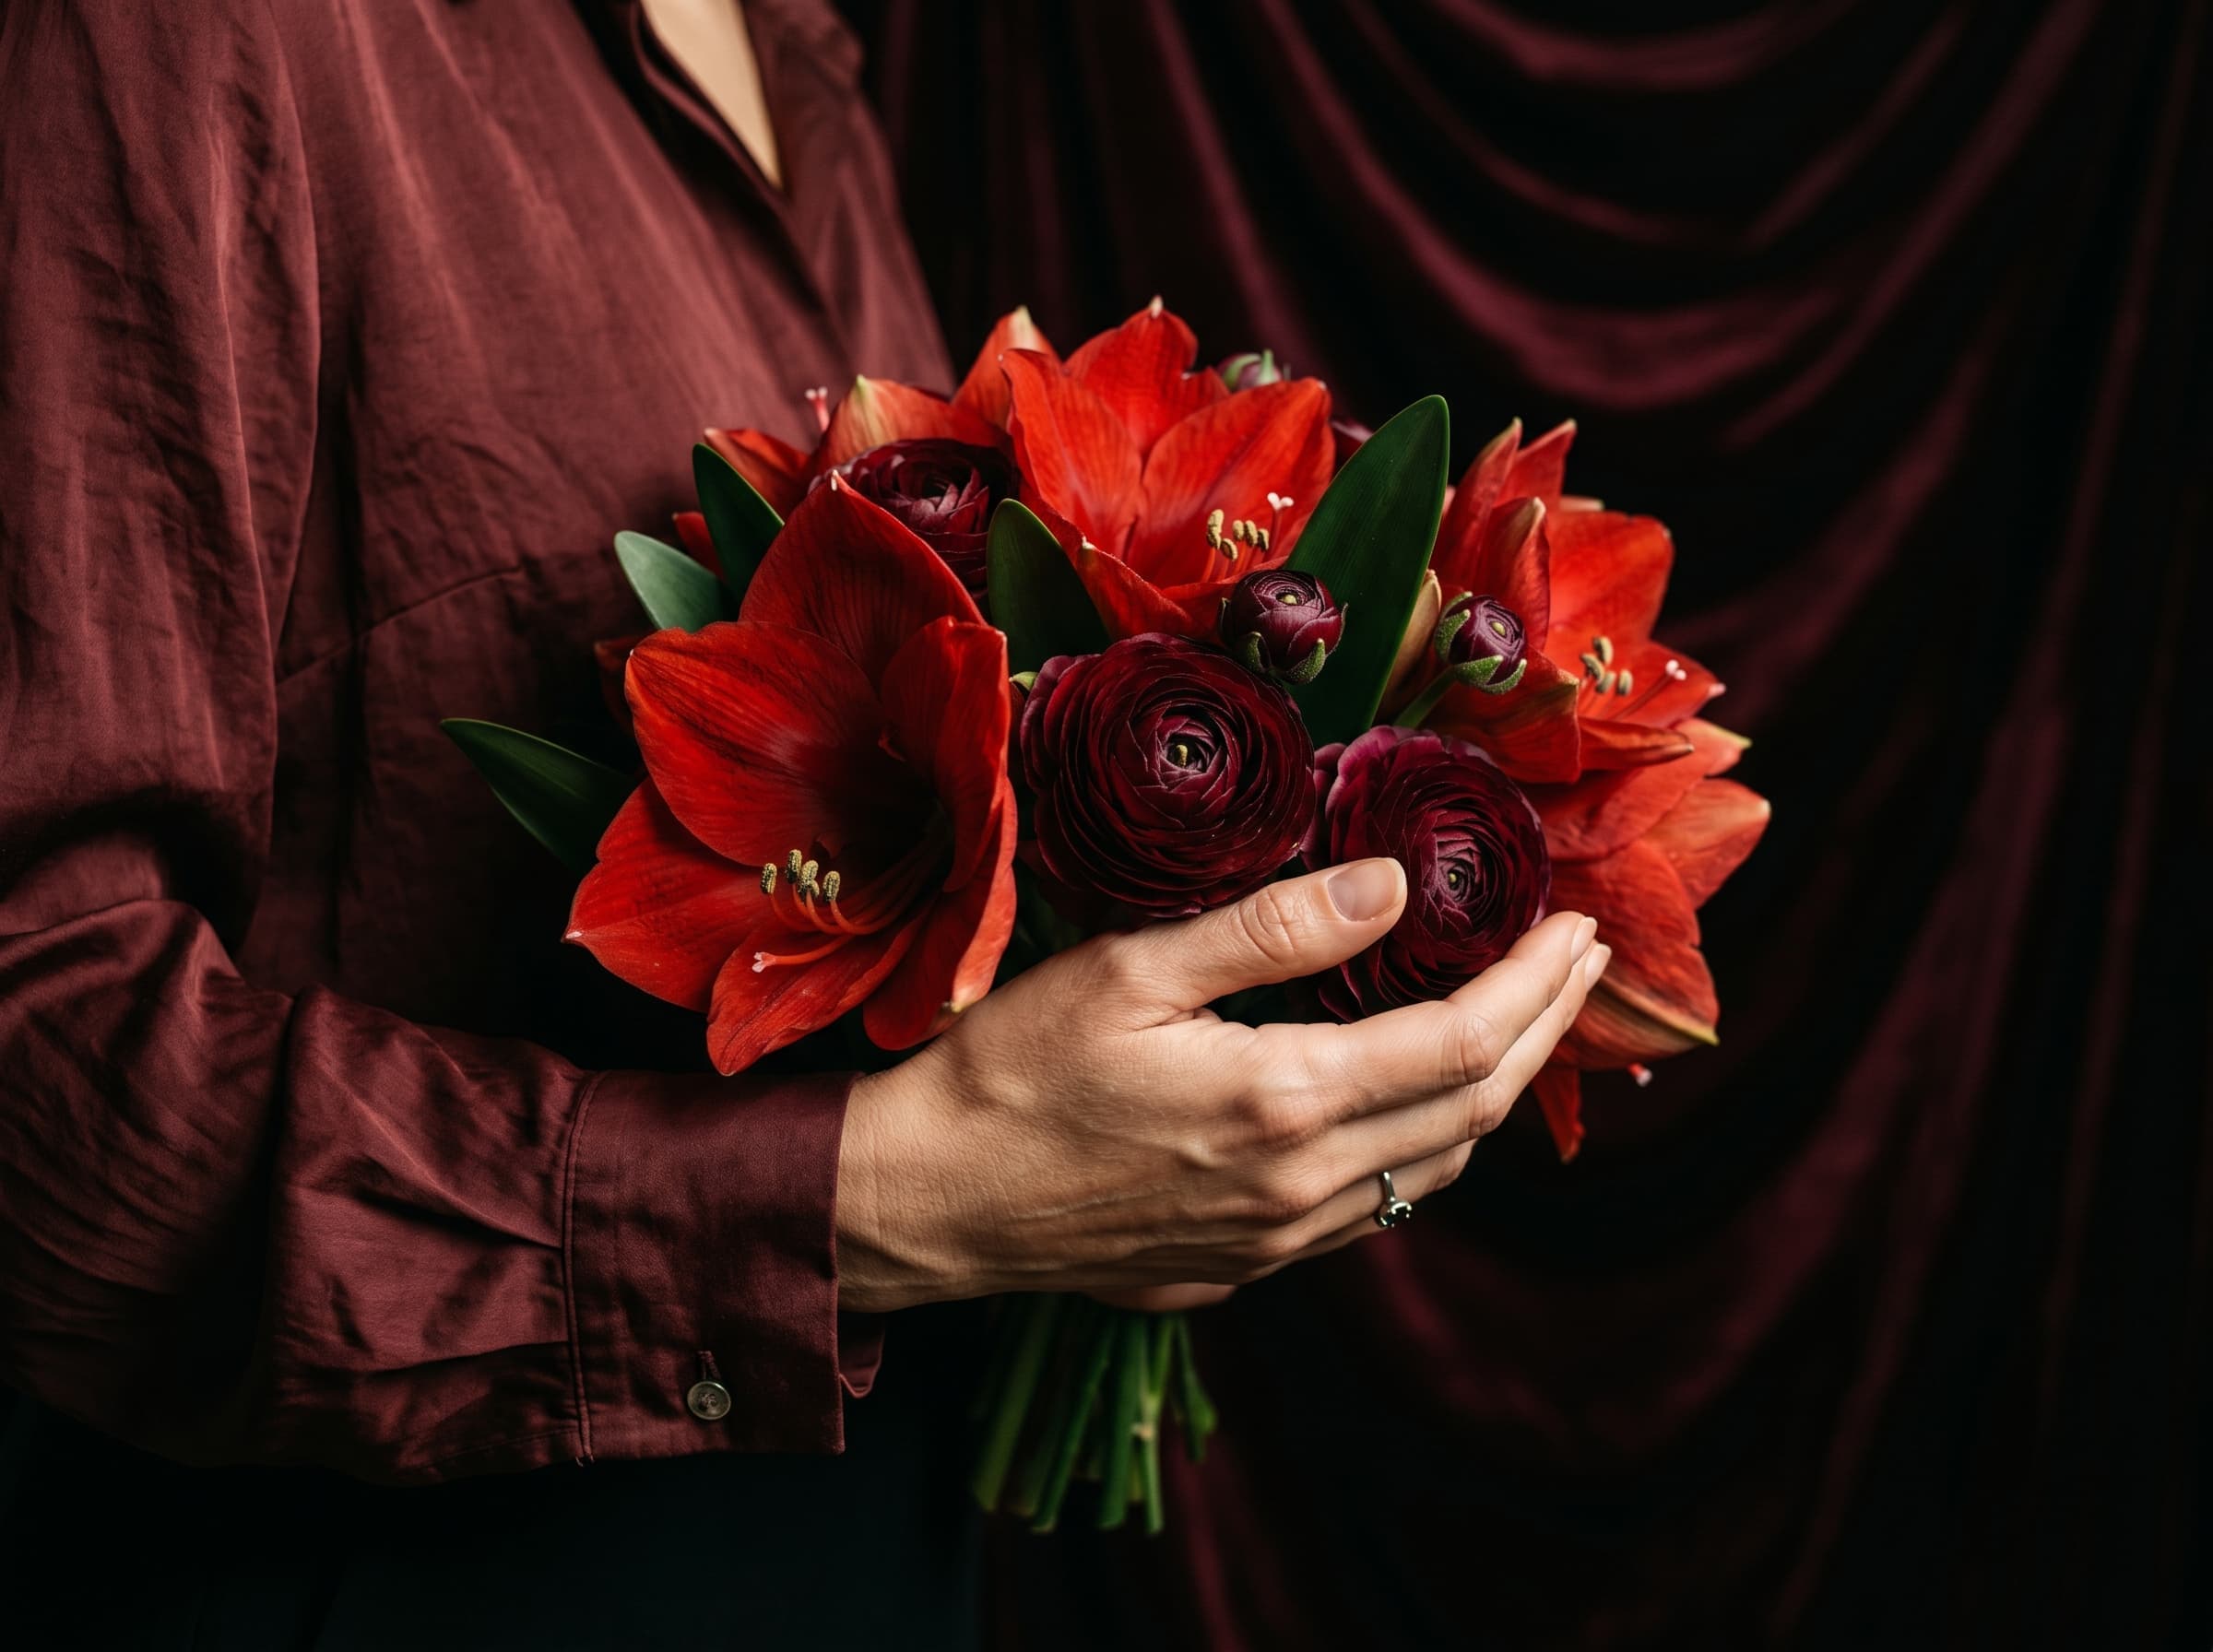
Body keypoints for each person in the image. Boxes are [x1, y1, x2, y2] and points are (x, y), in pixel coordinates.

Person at [0, 2, 1604, 1645]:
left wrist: (1158, 1152)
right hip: (361, 1559)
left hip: (862, 1525)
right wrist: (874, 1202)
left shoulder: (812, 52)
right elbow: (39, 1070)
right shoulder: (176, 38)